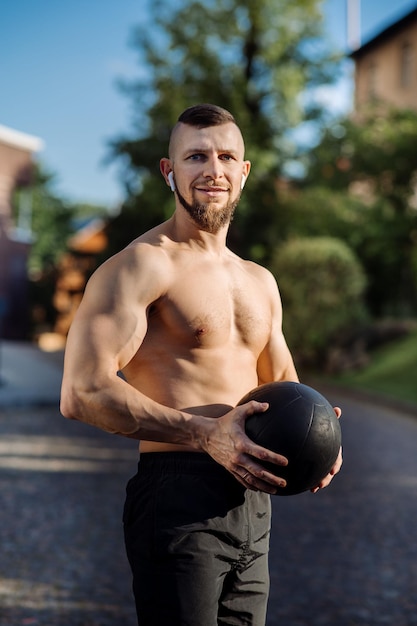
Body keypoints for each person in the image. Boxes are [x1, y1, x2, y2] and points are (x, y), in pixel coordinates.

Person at [60, 103, 342, 626]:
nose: (213, 170)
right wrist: (204, 433)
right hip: (176, 491)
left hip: (253, 503)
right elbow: (83, 391)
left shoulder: (260, 281)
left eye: (225, 156)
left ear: (244, 171)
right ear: (170, 172)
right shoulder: (142, 266)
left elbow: (283, 385)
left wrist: (321, 435)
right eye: (196, 156)